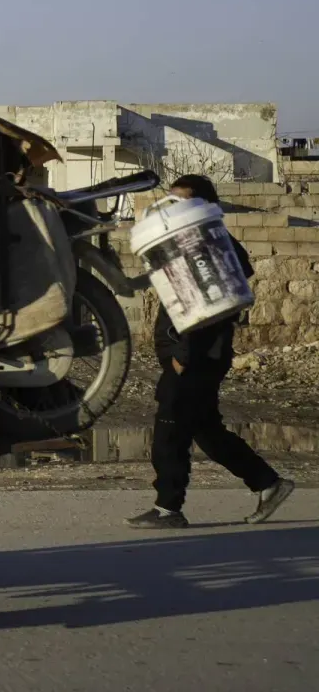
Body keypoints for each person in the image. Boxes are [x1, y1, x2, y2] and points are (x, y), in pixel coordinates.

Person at [126, 174, 295, 529]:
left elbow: (207, 311)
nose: (174, 209)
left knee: (169, 430)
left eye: (182, 202)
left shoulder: (213, 248)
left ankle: (168, 508)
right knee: (207, 431)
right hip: (196, 355)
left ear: (204, 206)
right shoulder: (199, 243)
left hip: (196, 356)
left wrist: (183, 356)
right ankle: (268, 483)